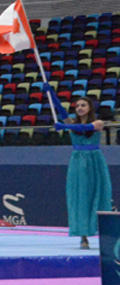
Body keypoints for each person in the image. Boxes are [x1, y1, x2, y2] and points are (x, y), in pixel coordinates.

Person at [55, 96, 113, 249]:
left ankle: (104, 233)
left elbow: (85, 128)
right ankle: (83, 237)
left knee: (98, 194)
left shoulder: (98, 122)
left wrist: (64, 127)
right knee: (81, 196)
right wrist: (52, 94)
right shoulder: (72, 123)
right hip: (78, 162)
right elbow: (61, 111)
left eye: (83, 105)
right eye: (77, 106)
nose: (79, 108)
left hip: (95, 161)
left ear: (89, 108)